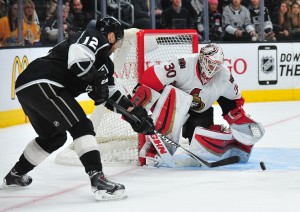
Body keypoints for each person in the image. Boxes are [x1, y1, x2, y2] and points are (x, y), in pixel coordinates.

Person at [0, 16, 154, 201]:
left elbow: (111, 96)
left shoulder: (106, 65)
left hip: (27, 86)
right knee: (82, 126)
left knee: (54, 137)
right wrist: (96, 79)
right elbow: (78, 60)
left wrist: (134, 115)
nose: (116, 48)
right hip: (44, 81)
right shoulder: (95, 37)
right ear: (111, 36)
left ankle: (15, 175)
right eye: (118, 42)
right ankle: (98, 179)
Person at [129, 43, 265, 167]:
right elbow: (152, 77)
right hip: (172, 106)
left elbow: (233, 103)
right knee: (176, 97)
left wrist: (238, 119)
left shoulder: (224, 77)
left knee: (201, 143)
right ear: (201, 58)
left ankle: (230, 143)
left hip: (199, 111)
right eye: (210, 64)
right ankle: (155, 147)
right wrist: (136, 107)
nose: (213, 69)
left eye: (217, 65)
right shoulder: (182, 64)